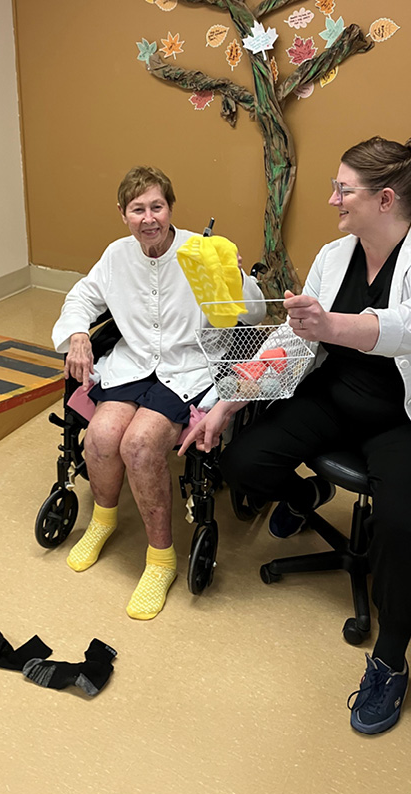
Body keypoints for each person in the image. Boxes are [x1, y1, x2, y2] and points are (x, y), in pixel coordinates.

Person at [180, 136, 411, 734]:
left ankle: (391, 663)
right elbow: (296, 343)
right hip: (334, 399)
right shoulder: (334, 254)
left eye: (343, 189)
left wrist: (330, 323)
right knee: (243, 461)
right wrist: (224, 403)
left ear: (385, 198)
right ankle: (307, 499)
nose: (331, 199)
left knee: (398, 527)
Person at [52, 165, 264, 620]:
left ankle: (160, 557)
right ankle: (103, 521)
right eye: (137, 209)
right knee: (102, 436)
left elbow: (251, 309)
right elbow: (81, 298)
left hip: (187, 365)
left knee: (141, 444)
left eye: (156, 207)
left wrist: (234, 274)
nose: (148, 218)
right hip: (134, 361)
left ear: (170, 208)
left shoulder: (198, 250)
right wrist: (77, 335)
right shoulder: (117, 256)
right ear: (123, 214)